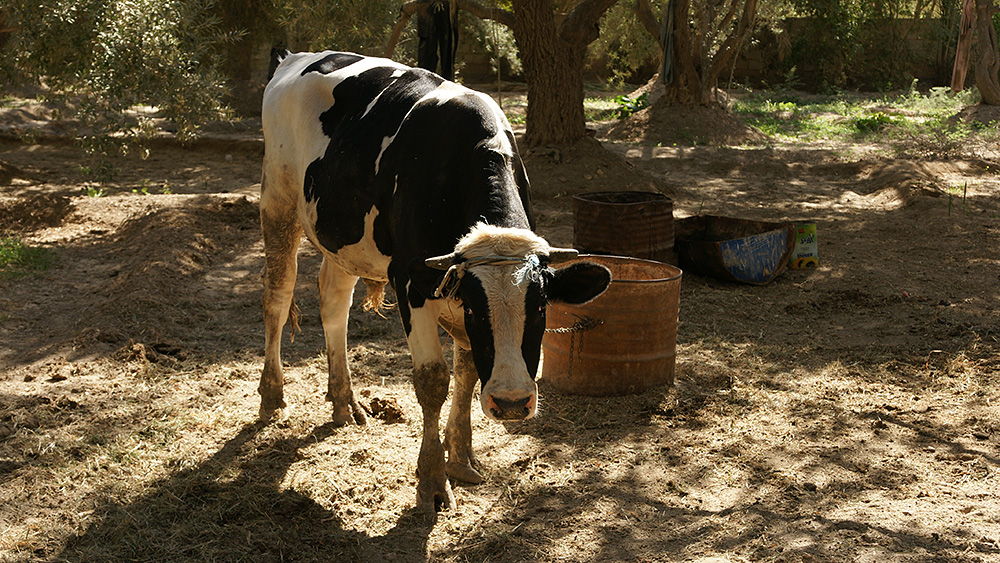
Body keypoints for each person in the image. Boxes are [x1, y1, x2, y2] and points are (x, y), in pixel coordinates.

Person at [416, 0, 458, 80]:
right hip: (426, 6)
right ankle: (424, 80)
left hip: (446, 5)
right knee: (427, 49)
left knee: (447, 46)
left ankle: (447, 81)